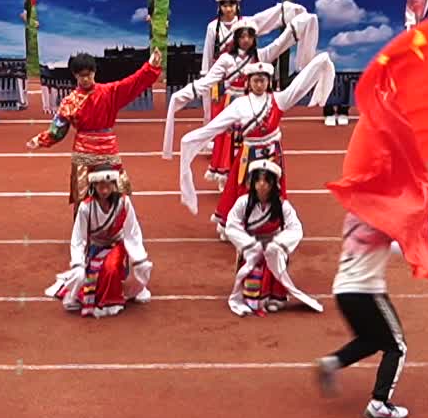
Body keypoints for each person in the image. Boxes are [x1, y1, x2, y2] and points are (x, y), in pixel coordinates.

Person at [177, 55, 336, 228]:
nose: (259, 85)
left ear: (268, 82)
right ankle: (241, 224)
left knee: (272, 188)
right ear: (249, 82)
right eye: (255, 81)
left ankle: (271, 222)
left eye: (262, 81)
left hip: (272, 154)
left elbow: (300, 85)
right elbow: (214, 127)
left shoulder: (279, 99)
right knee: (244, 189)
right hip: (249, 154)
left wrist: (319, 62)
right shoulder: (240, 105)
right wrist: (190, 140)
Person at [314, 212, 412, 418]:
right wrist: (425, 220)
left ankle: (333, 362)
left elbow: (389, 245)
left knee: (371, 340)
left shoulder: (353, 216)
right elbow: (409, 247)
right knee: (397, 346)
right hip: (368, 292)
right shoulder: (383, 219)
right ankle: (379, 403)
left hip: (342, 290)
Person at [28, 50, 162, 203]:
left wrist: (151, 67)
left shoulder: (109, 92)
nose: (85, 79)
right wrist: (40, 140)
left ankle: (117, 225)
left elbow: (133, 83)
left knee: (117, 195)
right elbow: (58, 128)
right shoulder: (70, 101)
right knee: (82, 196)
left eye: (88, 75)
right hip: (83, 152)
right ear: (75, 76)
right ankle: (83, 226)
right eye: (81, 76)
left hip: (108, 149)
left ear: (94, 72)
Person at [46, 169, 153, 317]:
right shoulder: (85, 207)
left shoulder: (123, 202)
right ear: (94, 186)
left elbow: (132, 232)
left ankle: (118, 297)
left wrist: (139, 258)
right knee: (91, 279)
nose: (104, 190)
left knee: (111, 268)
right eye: (100, 186)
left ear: (114, 185)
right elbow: (78, 239)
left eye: (108, 186)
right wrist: (78, 264)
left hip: (117, 244)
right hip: (95, 249)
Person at [222, 161, 322, 316]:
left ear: (272, 184)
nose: (262, 185)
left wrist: (278, 244)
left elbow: (295, 228)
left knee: (274, 257)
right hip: (252, 247)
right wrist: (249, 244)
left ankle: (275, 297)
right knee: (253, 269)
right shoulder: (243, 203)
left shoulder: (282, 206)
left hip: (272, 246)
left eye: (266, 181)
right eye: (258, 180)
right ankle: (254, 297)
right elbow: (231, 225)